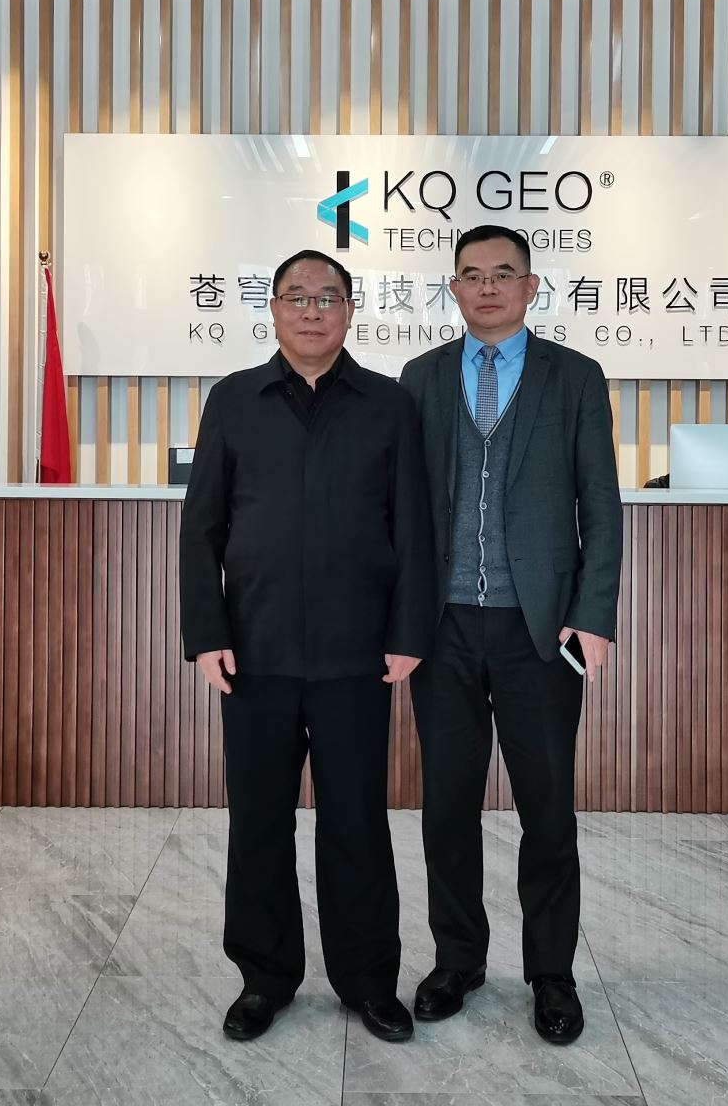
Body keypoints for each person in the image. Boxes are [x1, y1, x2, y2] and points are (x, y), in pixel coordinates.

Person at [180, 249, 434, 1043]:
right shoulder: (234, 400)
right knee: (259, 821)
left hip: (358, 655)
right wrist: (206, 634)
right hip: (253, 654)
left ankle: (368, 981)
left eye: (328, 297)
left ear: (351, 310)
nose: (313, 310)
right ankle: (264, 979)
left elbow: (414, 527)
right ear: (274, 310)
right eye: (297, 297)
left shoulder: (389, 405)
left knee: (356, 823)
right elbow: (202, 526)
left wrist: (408, 633)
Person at [397, 224, 623, 1045]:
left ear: (531, 287)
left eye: (503, 273)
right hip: (444, 628)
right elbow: (399, 510)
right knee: (447, 808)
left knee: (548, 809)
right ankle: (457, 960)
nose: (486, 287)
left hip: (541, 631)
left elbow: (601, 505)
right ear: (453, 289)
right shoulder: (420, 378)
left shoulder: (575, 376)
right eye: (471, 274)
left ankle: (551, 973)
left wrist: (593, 614)